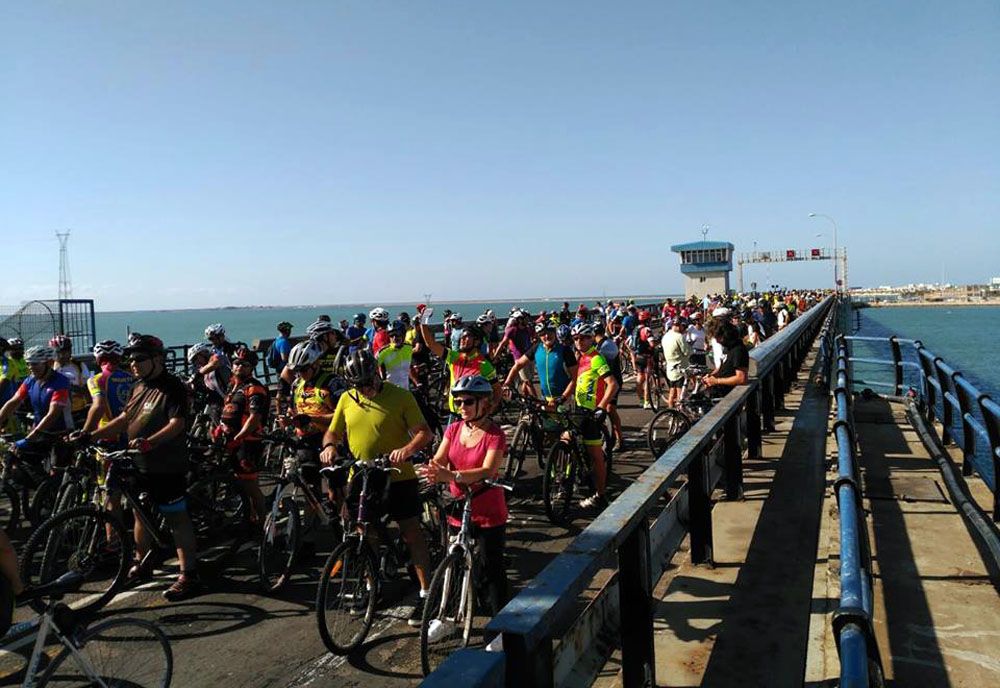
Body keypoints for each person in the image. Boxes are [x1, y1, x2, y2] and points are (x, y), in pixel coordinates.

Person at [319, 349, 434, 626]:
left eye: (369, 381)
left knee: (410, 532)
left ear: (377, 374)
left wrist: (407, 450)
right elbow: (333, 431)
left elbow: (424, 433)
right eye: (359, 385)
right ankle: (372, 588)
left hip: (397, 475)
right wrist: (330, 445)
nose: (366, 389)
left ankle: (426, 593)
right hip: (362, 475)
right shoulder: (347, 399)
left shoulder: (401, 396)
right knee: (364, 532)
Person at [82, 335, 201, 601]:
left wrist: (151, 441)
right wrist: (90, 435)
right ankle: (143, 562)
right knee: (140, 514)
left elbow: (177, 424)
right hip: (139, 462)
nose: (133, 364)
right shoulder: (139, 386)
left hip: (167, 464)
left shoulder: (172, 387)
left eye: (139, 359)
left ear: (157, 359)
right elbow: (124, 419)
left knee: (176, 519)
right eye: (130, 359)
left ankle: (188, 574)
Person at [418, 375, 510, 618]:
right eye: (457, 402)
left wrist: (451, 476)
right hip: (459, 507)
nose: (461, 407)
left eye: (468, 401)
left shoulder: (495, 434)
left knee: (491, 569)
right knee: (454, 561)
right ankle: (449, 611)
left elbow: (488, 470)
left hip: (488, 511)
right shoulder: (454, 429)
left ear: (484, 403)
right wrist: (433, 470)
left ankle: (501, 623)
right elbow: (440, 458)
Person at [215, 347, 269, 523]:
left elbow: (255, 417)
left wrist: (239, 437)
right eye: (236, 363)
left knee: (250, 484)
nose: (239, 367)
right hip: (232, 440)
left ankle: (263, 522)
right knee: (239, 482)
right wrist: (220, 428)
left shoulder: (254, 388)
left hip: (248, 442)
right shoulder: (232, 385)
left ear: (251, 367)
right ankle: (249, 518)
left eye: (244, 364)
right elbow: (228, 410)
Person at [569, 322, 619, 510]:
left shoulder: (596, 359)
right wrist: (563, 397)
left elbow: (612, 384)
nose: (579, 342)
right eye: (576, 338)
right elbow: (575, 382)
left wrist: (602, 407)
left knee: (596, 455)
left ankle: (600, 495)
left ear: (591, 338)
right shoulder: (580, 357)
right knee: (566, 439)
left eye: (583, 338)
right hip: (578, 409)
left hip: (592, 413)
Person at [0, 345, 74, 464]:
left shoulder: (60, 382)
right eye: (28, 364)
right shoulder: (30, 380)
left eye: (35, 364)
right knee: (18, 463)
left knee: (56, 471)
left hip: (60, 434)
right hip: (39, 432)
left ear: (49, 363)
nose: (30, 367)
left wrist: (29, 438)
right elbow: (13, 402)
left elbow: (53, 414)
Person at [418, 314, 498, 416]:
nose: (462, 339)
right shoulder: (454, 357)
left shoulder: (484, 364)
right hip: (454, 413)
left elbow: (497, 389)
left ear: (477, 342)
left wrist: (491, 408)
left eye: (466, 336)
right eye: (461, 336)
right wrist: (423, 320)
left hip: (472, 415)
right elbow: (431, 344)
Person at [504, 321, 577, 405]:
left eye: (549, 332)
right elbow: (518, 365)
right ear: (539, 336)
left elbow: (575, 378)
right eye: (543, 334)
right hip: (545, 399)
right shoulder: (537, 348)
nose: (546, 336)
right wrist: (507, 383)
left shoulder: (565, 350)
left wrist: (563, 398)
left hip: (564, 399)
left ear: (554, 332)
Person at [50, 335, 91, 422]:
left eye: (65, 351)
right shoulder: (49, 367)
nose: (62, 355)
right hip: (56, 411)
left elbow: (87, 389)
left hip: (78, 410)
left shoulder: (79, 366)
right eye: (58, 352)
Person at [187, 341, 230, 423]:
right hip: (217, 400)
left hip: (230, 397)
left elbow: (214, 363)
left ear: (203, 353)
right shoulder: (203, 369)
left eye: (195, 358)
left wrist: (197, 374)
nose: (196, 362)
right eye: (193, 361)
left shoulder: (218, 357)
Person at [703, 321, 750, 398]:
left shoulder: (738, 350)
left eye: (718, 337)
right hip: (719, 392)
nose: (717, 341)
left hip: (729, 395)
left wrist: (717, 381)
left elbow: (741, 378)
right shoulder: (728, 348)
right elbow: (723, 367)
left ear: (726, 335)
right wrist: (711, 376)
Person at [495, 310, 533, 397]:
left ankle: (526, 398)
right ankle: (537, 402)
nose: (527, 320)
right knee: (528, 382)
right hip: (519, 358)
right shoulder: (512, 330)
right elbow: (503, 343)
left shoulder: (527, 329)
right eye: (525, 318)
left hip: (529, 357)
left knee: (526, 381)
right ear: (519, 320)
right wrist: (495, 356)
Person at [661, 318, 692, 408]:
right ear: (680, 326)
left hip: (670, 367)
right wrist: (691, 348)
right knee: (680, 394)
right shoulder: (679, 337)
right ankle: (680, 412)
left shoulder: (666, 336)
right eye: (683, 326)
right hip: (680, 368)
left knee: (672, 392)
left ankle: (671, 411)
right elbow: (686, 352)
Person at [377, 320, 416, 390]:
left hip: (406, 390)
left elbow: (410, 368)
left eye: (397, 335)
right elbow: (375, 371)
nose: (394, 338)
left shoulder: (409, 348)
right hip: (390, 391)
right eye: (391, 335)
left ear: (403, 335)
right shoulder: (383, 352)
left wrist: (417, 383)